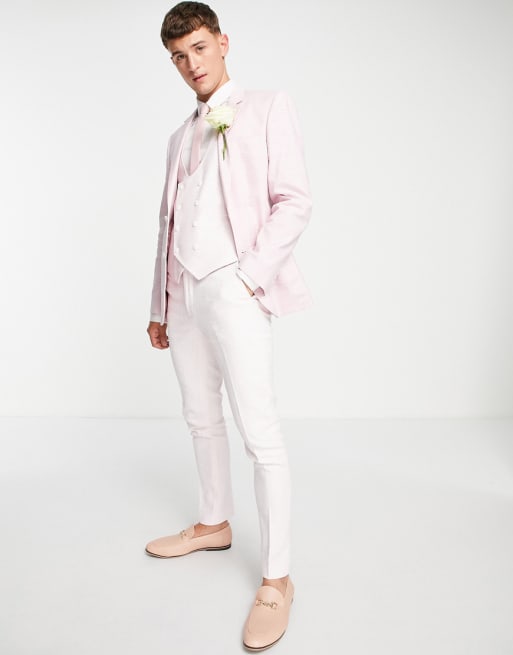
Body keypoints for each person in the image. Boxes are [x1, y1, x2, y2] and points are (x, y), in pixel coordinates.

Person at [145, 2, 312, 650]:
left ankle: (277, 577)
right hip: (183, 292)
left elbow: (293, 200)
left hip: (234, 284)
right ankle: (214, 521)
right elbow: (168, 223)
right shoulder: (177, 137)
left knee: (259, 432)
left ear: (222, 42)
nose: (191, 64)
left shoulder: (267, 107)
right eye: (178, 57)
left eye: (198, 48)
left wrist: (248, 277)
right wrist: (160, 303)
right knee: (199, 415)